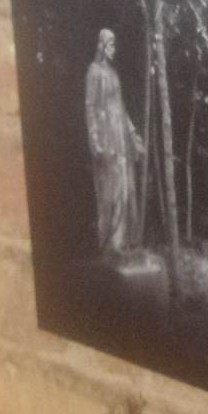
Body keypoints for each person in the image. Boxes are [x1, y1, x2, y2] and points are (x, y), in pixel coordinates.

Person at [85, 27, 145, 254]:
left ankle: (125, 241)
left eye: (114, 45)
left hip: (120, 135)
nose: (114, 49)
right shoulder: (93, 72)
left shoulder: (113, 74)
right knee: (110, 189)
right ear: (101, 46)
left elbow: (122, 107)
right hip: (106, 135)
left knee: (126, 186)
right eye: (110, 45)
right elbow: (89, 107)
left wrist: (133, 135)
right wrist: (95, 140)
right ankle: (110, 243)